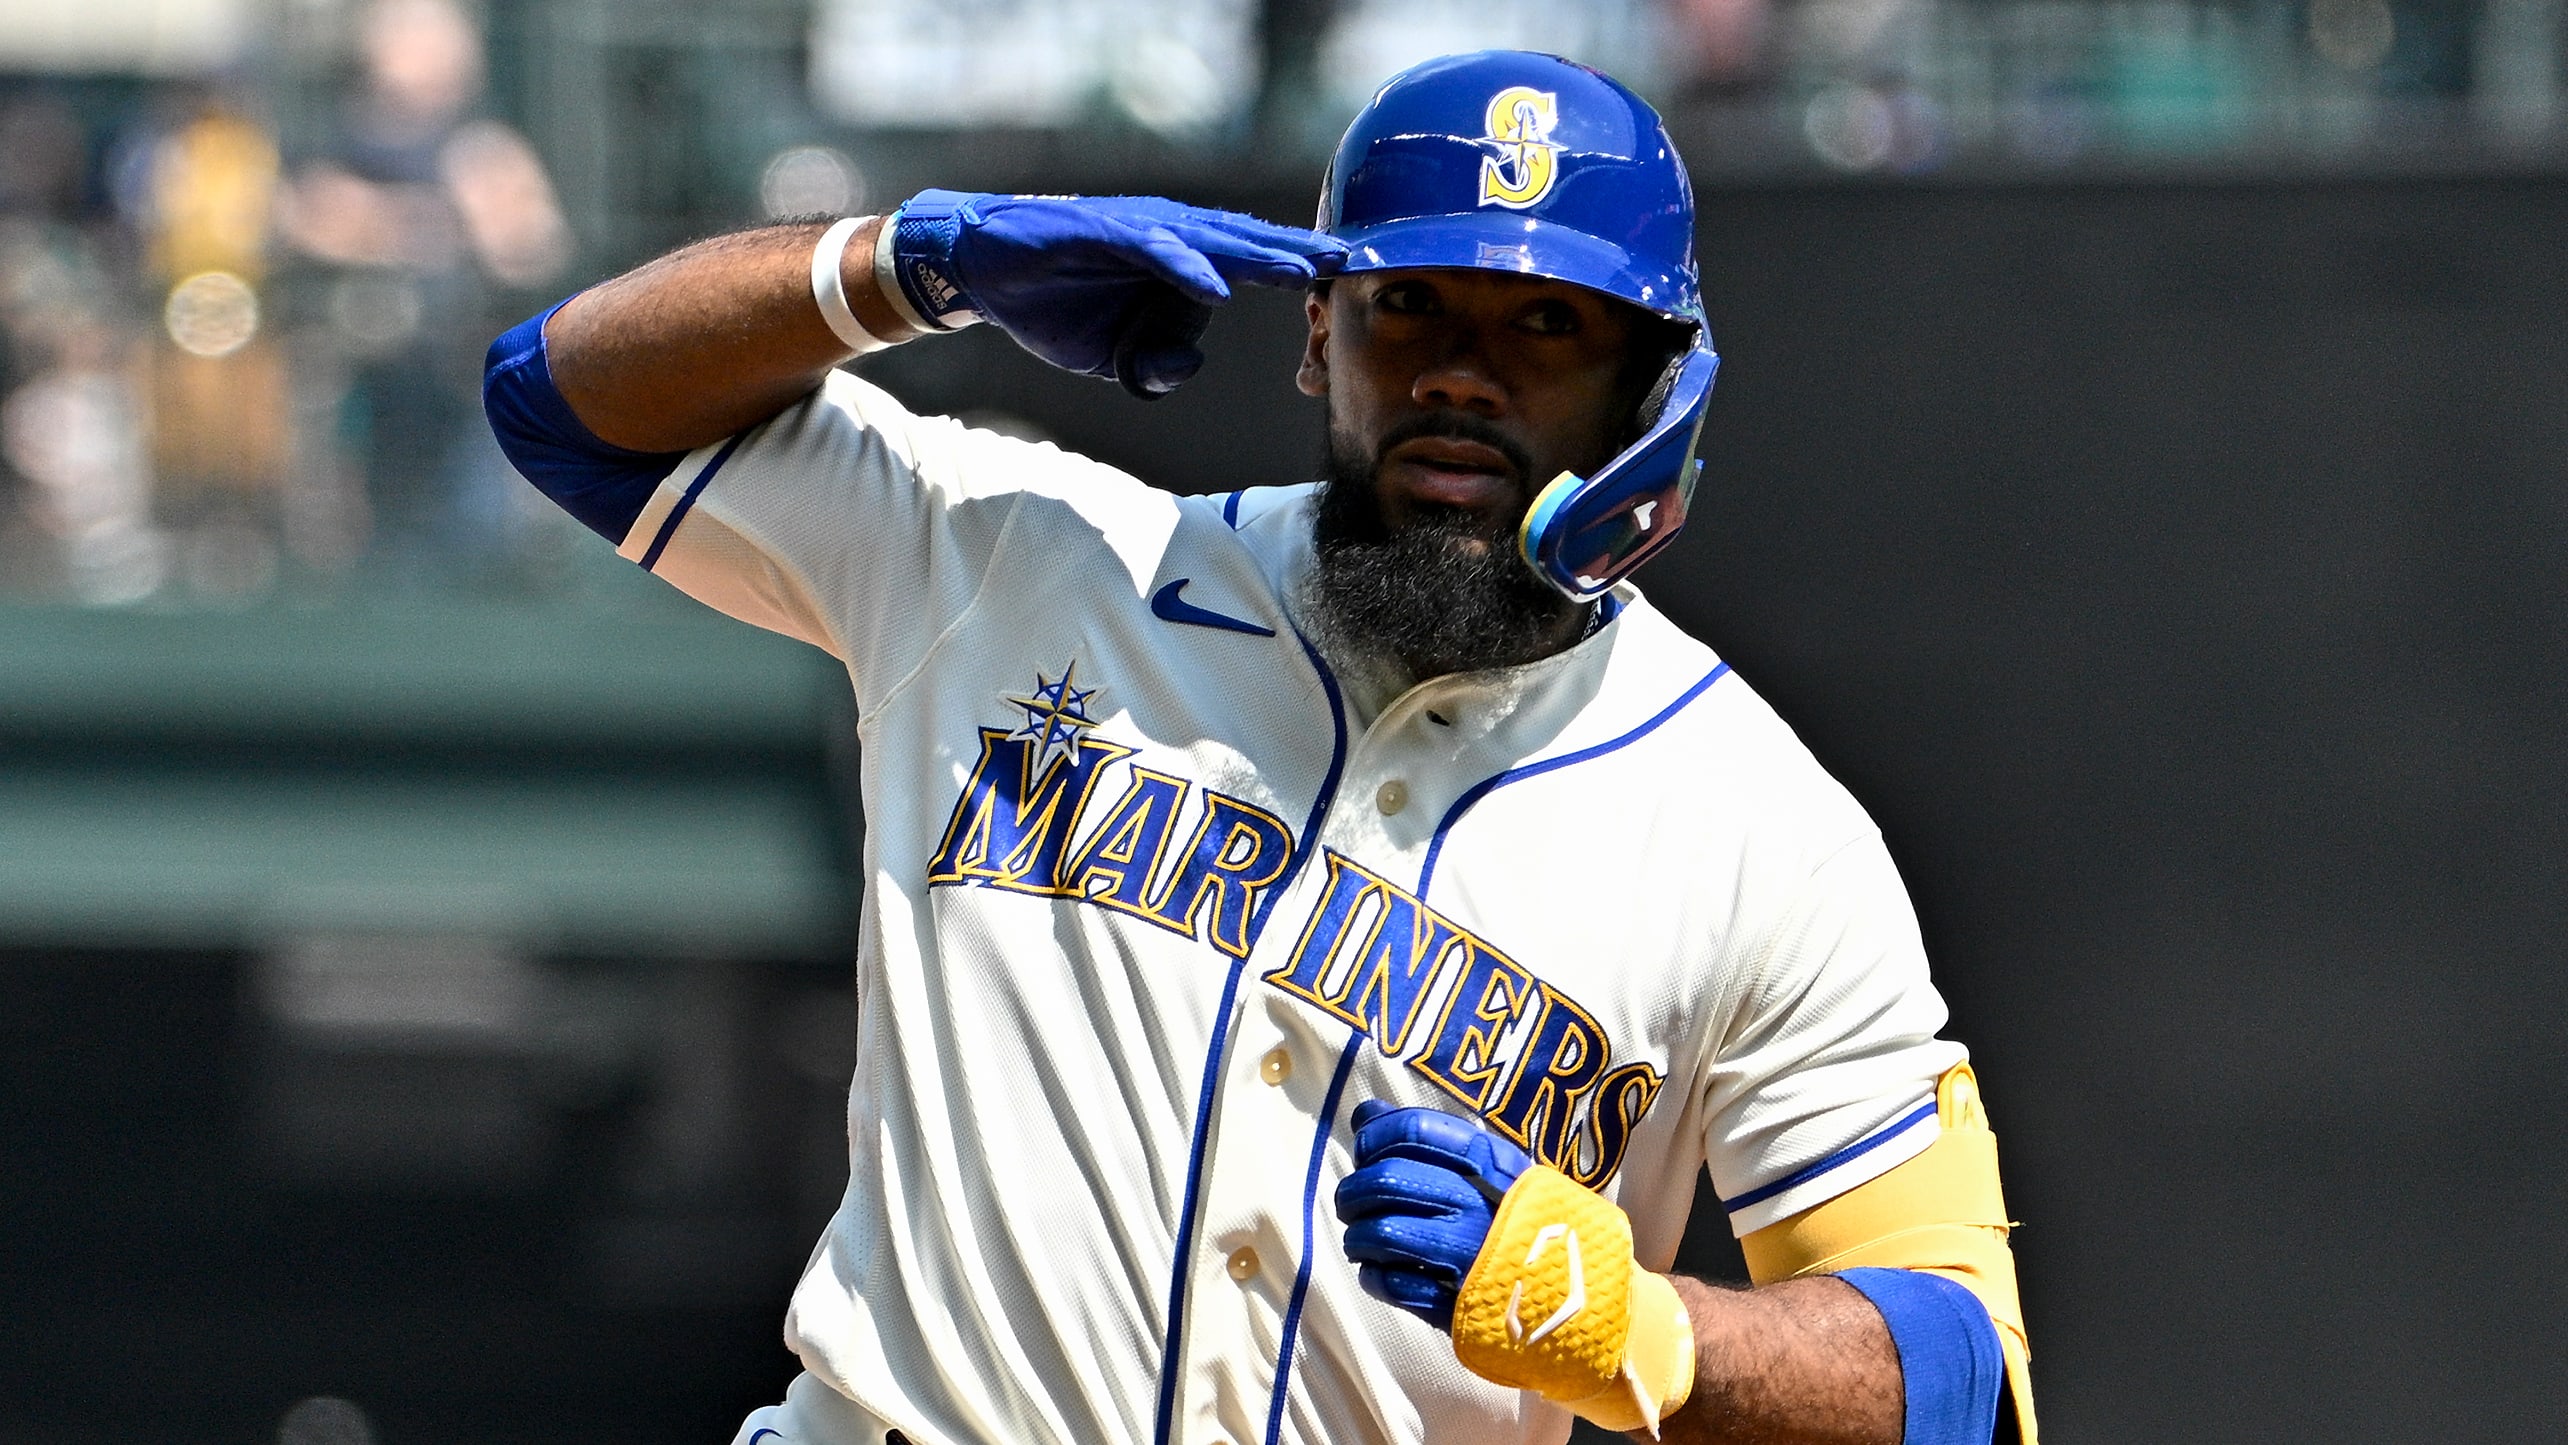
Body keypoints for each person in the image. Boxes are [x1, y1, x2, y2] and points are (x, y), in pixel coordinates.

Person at [484, 49, 2034, 1445]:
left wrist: (1639, 1323)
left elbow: (1964, 1382)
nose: (1457, 372)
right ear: (1317, 335)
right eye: (1408, 302)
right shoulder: (1030, 556)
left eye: (1546, 322)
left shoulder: (1756, 823)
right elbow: (563, 404)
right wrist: (902, 266)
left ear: (1654, 391)